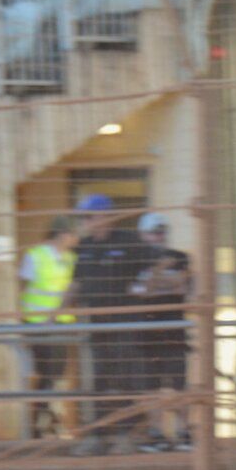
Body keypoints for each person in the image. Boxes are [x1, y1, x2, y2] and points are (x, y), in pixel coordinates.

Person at [67, 193, 149, 451]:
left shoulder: (128, 241)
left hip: (125, 324)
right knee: (99, 381)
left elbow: (152, 267)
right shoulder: (85, 246)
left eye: (89, 216)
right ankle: (97, 435)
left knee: (126, 379)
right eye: (84, 218)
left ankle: (126, 435)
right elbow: (77, 282)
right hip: (96, 324)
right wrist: (55, 313)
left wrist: (144, 289)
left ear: (104, 216)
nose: (85, 222)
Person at [130, 212, 191, 452]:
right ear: (143, 235)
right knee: (150, 385)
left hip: (173, 329)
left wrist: (156, 279)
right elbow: (141, 291)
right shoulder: (135, 260)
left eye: (162, 231)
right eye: (154, 232)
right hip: (146, 331)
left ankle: (184, 433)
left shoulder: (179, 257)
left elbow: (182, 287)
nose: (159, 236)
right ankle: (157, 434)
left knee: (179, 384)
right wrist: (161, 272)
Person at [18, 215, 79, 440]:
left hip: (62, 323)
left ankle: (44, 423)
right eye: (73, 234)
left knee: (56, 374)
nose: (76, 239)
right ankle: (45, 423)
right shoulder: (35, 255)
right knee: (49, 373)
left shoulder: (72, 258)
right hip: (38, 323)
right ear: (62, 234)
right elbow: (23, 286)